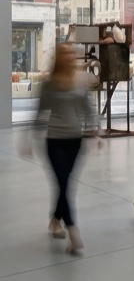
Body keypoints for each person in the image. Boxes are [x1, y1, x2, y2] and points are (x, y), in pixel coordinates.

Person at [33, 42, 99, 254]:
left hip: (75, 140)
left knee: (64, 184)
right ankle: (73, 232)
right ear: (59, 57)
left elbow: (89, 108)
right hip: (54, 140)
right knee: (63, 183)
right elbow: (40, 111)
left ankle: (55, 219)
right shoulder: (49, 83)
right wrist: (29, 138)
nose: (70, 57)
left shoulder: (80, 80)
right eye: (66, 53)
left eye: (72, 53)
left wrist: (94, 131)